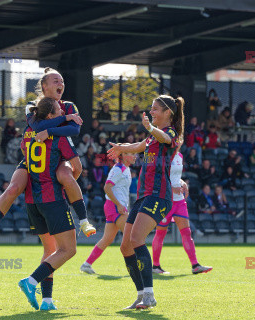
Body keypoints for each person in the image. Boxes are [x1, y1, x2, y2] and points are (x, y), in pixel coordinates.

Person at [0, 68, 96, 248]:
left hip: (57, 157)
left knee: (67, 177)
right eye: (55, 80)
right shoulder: (32, 104)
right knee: (13, 188)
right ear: (44, 86)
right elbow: (35, 125)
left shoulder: (69, 105)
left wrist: (50, 131)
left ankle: (84, 221)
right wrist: (65, 119)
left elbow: (75, 130)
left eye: (61, 80)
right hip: (33, 159)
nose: (60, 83)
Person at [107, 94, 184, 309]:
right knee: (125, 246)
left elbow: (166, 140)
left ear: (168, 112)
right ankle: (141, 295)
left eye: (155, 109)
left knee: (137, 239)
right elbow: (139, 145)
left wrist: (150, 128)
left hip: (159, 196)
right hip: (144, 195)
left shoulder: (169, 133)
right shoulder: (151, 137)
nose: (151, 112)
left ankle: (149, 295)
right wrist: (121, 147)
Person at [17, 97, 79, 311]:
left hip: (32, 200)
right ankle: (31, 281)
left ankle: (47, 301)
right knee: (68, 250)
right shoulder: (59, 136)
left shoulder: (29, 134)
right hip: (52, 198)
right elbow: (76, 165)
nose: (63, 109)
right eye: (59, 109)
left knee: (50, 251)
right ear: (51, 115)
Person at [151, 151, 212, 274]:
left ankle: (195, 265)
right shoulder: (163, 156)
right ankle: (155, 266)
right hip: (165, 200)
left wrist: (182, 183)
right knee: (160, 233)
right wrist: (172, 188)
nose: (178, 141)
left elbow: (175, 177)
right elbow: (158, 177)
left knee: (186, 233)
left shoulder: (180, 156)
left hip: (179, 201)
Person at [80, 152, 136, 274]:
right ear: (124, 155)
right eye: (132, 153)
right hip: (115, 207)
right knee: (133, 236)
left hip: (117, 207)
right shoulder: (118, 169)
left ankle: (86, 264)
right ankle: (139, 267)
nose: (135, 156)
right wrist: (119, 205)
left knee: (107, 239)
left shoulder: (126, 169)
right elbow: (107, 187)